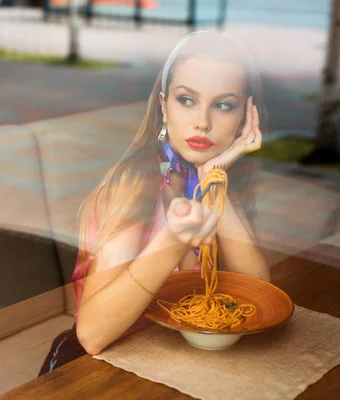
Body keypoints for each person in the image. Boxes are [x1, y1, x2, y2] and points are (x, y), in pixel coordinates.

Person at [38, 30, 271, 376]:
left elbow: (260, 299)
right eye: (187, 100)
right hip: (101, 370)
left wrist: (214, 176)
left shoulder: (211, 178)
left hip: (180, 365)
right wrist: (174, 239)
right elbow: (91, 333)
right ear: (164, 105)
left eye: (223, 105)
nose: (203, 122)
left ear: (243, 116)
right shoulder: (136, 181)